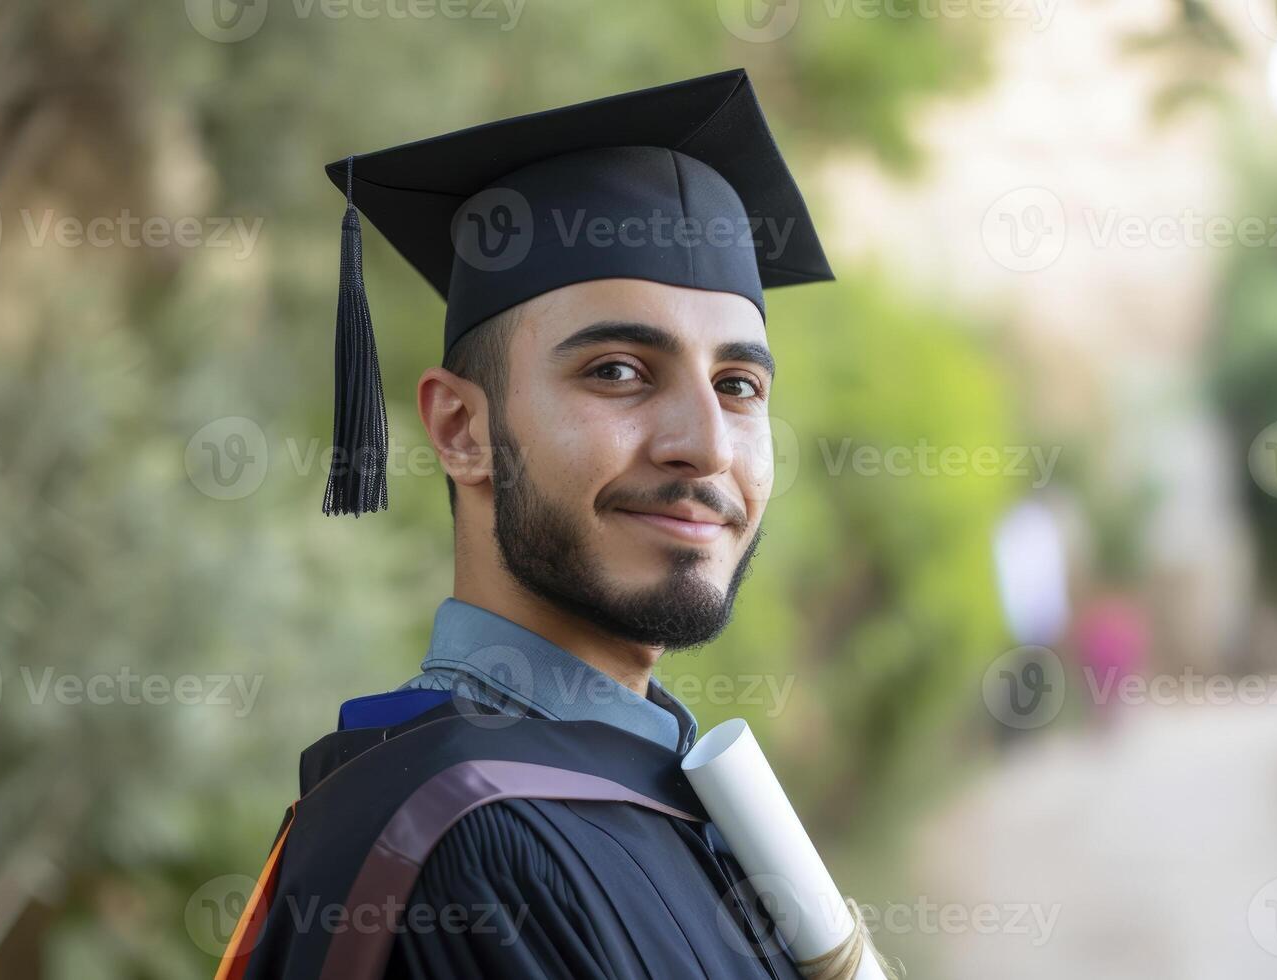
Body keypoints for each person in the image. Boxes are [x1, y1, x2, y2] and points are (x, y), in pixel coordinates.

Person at [216, 68, 839, 979]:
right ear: (462, 432)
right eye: (618, 372)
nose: (704, 446)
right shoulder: (453, 839)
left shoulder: (687, 796)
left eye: (737, 386)